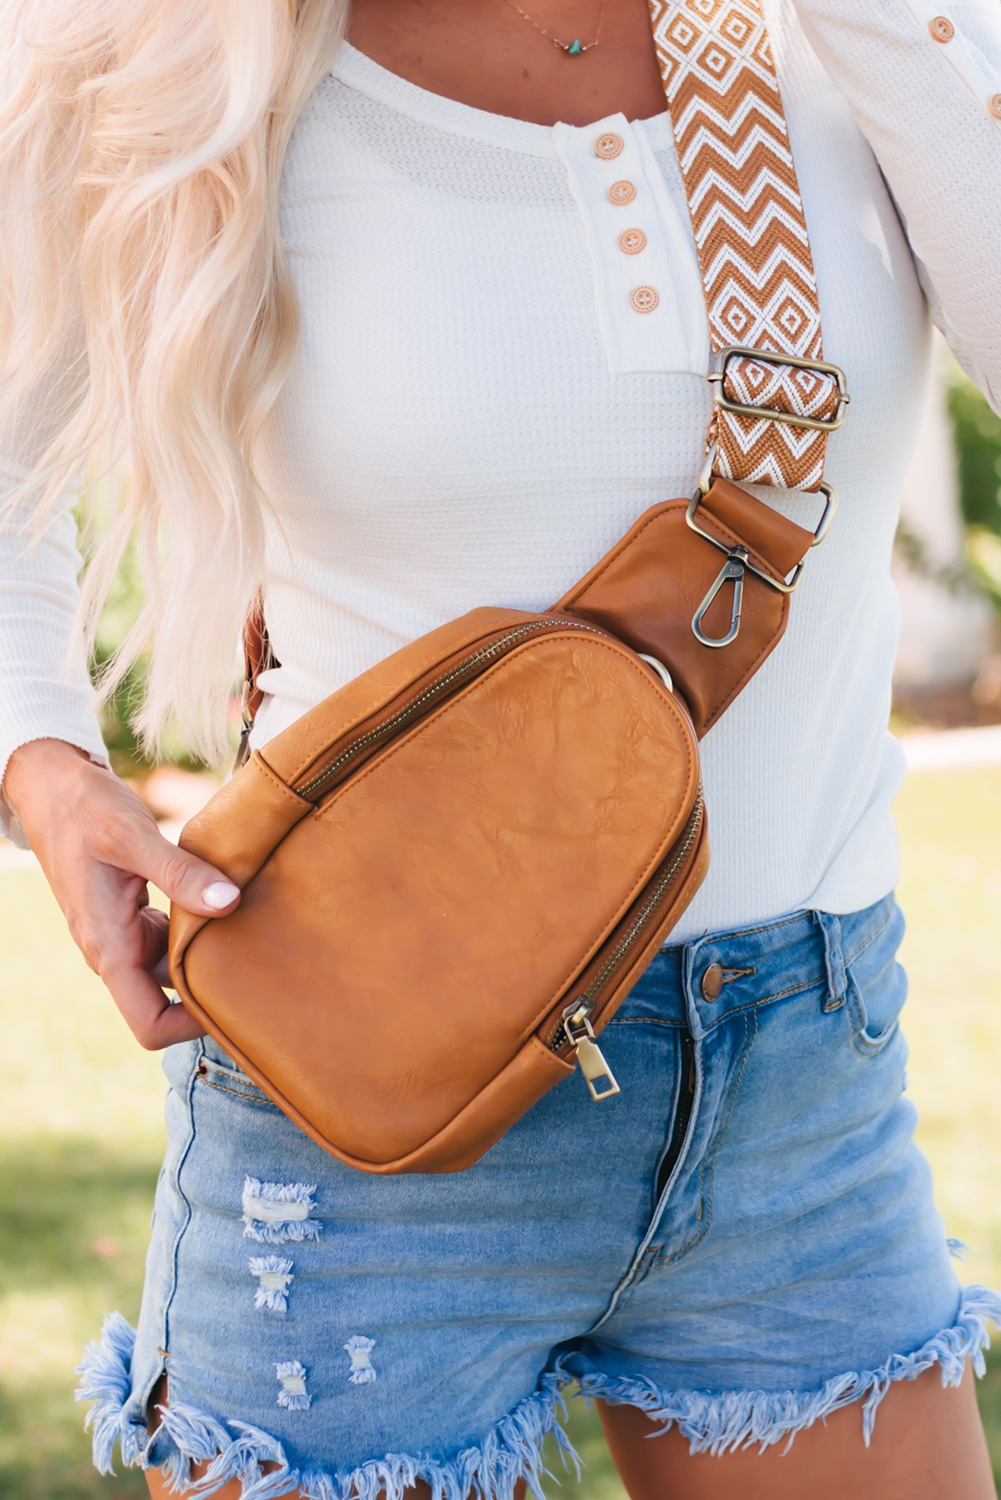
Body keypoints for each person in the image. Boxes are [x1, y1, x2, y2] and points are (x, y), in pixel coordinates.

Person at [2, 1, 1001, 1496]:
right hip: (358, 1105)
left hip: (798, 1080)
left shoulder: (853, 39)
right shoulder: (183, 57)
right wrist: (46, 762)